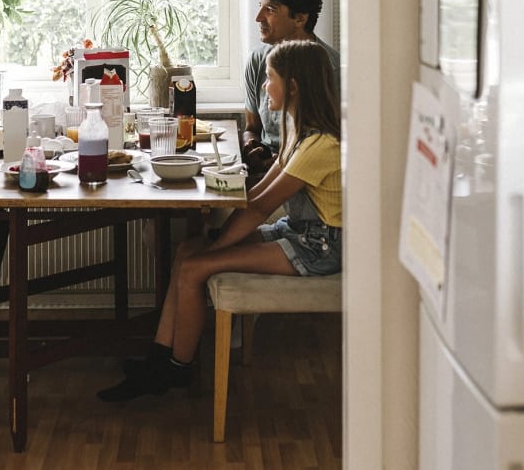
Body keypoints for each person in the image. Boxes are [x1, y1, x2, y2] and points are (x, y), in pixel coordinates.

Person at [98, 38, 342, 403]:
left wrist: (218, 244)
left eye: (270, 77)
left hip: (319, 247)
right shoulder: (297, 132)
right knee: (188, 251)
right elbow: (256, 195)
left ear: (292, 86)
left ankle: (176, 369)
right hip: (298, 232)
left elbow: (260, 208)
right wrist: (216, 237)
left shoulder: (320, 145)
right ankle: (159, 359)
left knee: (196, 266)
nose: (263, 85)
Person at [240, 0, 340, 176]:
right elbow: (251, 127)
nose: (259, 18)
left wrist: (287, 160)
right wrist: (253, 148)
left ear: (300, 18)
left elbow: (332, 146)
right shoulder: (257, 60)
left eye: (271, 10)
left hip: (306, 180)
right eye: (260, 7)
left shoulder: (331, 70)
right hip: (264, 174)